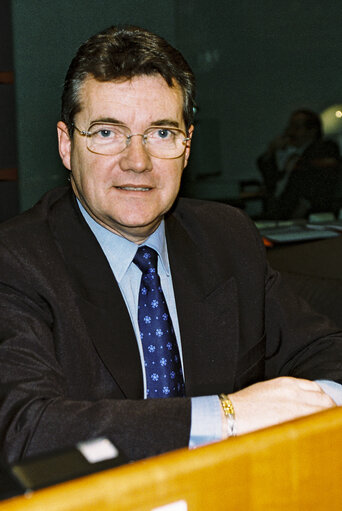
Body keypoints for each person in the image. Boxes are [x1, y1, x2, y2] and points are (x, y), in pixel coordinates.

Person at [0, 26, 341, 465]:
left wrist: (317, 402)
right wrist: (229, 416)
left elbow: (323, 350)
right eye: (107, 133)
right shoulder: (17, 262)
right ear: (67, 145)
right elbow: (23, 430)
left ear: (187, 146)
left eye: (160, 133)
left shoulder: (225, 237)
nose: (137, 161)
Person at [257, 109, 341, 219]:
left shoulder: (323, 148)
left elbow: (318, 183)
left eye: (296, 127)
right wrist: (272, 151)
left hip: (304, 216)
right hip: (279, 212)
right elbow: (271, 179)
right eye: (290, 127)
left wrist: (300, 211)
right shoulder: (290, 155)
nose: (290, 132)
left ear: (312, 131)